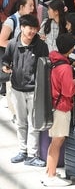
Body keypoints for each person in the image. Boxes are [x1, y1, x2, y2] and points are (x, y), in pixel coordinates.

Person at [2, 14, 49, 167]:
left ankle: (32, 154)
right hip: (17, 88)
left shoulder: (41, 46)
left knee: (33, 123)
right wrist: (5, 67)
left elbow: (45, 68)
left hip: (34, 90)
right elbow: (6, 59)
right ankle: (22, 151)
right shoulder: (13, 44)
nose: (32, 31)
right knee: (21, 122)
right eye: (29, 28)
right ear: (22, 27)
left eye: (35, 28)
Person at [41, 33, 75, 187]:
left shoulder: (53, 61)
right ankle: (51, 176)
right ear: (71, 48)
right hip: (61, 108)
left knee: (54, 140)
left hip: (52, 106)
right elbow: (68, 91)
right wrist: (74, 83)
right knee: (57, 141)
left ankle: (49, 172)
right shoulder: (65, 68)